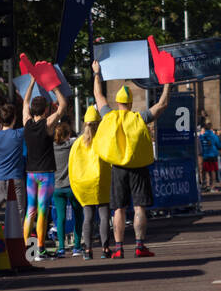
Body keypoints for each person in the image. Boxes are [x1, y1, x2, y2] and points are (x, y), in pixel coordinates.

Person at [91, 61, 170, 258]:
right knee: (139, 206)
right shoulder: (139, 117)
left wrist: (96, 74)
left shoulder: (108, 116)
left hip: (117, 168)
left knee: (118, 208)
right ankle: (139, 245)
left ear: (117, 102)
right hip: (139, 167)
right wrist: (168, 82)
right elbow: (162, 105)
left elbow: (98, 96)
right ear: (131, 102)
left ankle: (118, 248)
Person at [23, 77, 69, 260]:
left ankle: (26, 249)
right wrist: (53, 86)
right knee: (43, 211)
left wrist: (32, 82)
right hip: (46, 174)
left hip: (30, 174)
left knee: (30, 211)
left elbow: (25, 101)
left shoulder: (26, 122)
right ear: (45, 110)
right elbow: (64, 105)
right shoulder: (48, 125)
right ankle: (40, 249)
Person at [68, 106, 113, 259]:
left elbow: (71, 166)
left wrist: (75, 185)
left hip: (83, 184)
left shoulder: (77, 143)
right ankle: (105, 248)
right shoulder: (103, 140)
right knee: (104, 216)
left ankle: (87, 250)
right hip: (102, 182)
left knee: (88, 217)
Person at [52, 121, 82, 257]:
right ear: (68, 135)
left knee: (60, 217)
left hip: (57, 187)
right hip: (72, 186)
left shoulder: (51, 147)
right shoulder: (72, 144)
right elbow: (82, 137)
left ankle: (61, 248)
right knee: (78, 215)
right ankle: (77, 246)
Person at [198, 123, 220, 193]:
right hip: (213, 155)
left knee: (206, 171)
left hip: (205, 155)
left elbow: (200, 145)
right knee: (213, 171)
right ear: (211, 128)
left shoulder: (202, 136)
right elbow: (218, 145)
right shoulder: (214, 136)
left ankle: (207, 185)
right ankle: (212, 187)